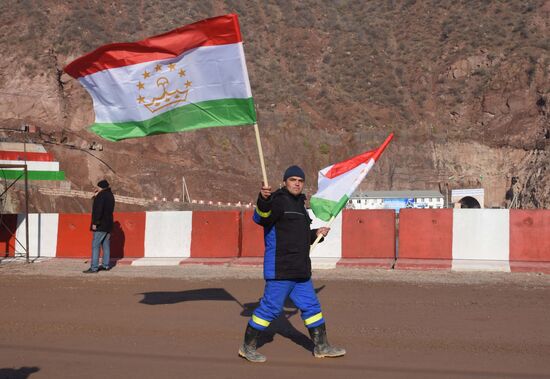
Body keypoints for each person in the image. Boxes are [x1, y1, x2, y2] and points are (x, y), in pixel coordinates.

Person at [238, 165, 345, 363]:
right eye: (293, 179)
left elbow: (301, 236)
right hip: (281, 269)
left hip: (300, 270)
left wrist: (316, 234)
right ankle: (247, 347)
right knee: (269, 310)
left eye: (300, 180)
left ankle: (321, 347)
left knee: (312, 307)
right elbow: (261, 217)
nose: (297, 183)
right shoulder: (276, 201)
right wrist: (263, 199)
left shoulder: (300, 205)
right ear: (285, 181)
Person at [83, 179, 115, 273]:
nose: (96, 189)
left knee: (95, 245)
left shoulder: (101, 196)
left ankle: (94, 267)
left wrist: (95, 223)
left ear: (101, 187)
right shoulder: (110, 195)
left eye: (97, 187)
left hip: (101, 224)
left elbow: (98, 210)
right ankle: (105, 265)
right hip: (109, 224)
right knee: (106, 245)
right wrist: (96, 196)